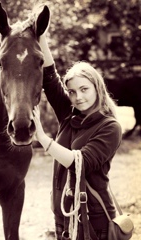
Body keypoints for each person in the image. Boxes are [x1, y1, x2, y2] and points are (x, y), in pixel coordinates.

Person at [32, 34, 122, 240]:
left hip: (92, 221)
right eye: (72, 92)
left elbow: (79, 163)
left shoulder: (110, 127)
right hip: (63, 216)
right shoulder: (69, 114)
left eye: (84, 89)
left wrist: (42, 138)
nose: (78, 97)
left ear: (97, 88)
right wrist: (41, 35)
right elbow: (49, 77)